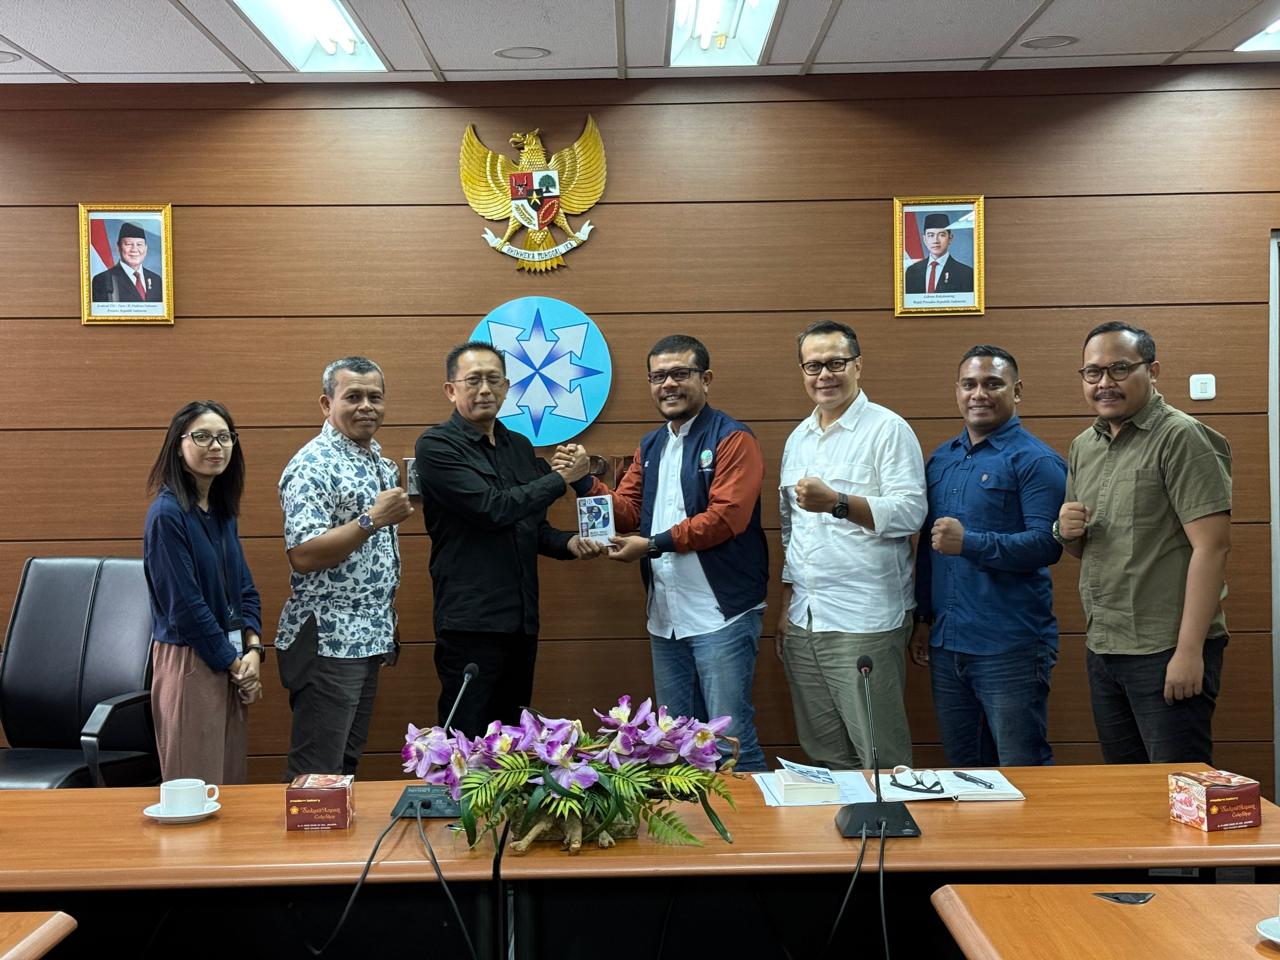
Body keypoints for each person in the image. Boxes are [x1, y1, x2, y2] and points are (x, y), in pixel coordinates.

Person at [581, 334, 769, 772]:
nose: (668, 384)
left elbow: (725, 518)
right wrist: (582, 482)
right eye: (658, 376)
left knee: (730, 744)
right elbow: (628, 511)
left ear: (706, 379)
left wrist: (652, 545)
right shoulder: (651, 446)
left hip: (722, 615)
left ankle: (749, 817)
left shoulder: (733, 438)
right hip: (666, 618)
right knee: (673, 746)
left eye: (680, 373)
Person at [1057, 322, 1232, 764]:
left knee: (1179, 788)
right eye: (1093, 372)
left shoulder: (1181, 437)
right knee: (1128, 788)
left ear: (1152, 371)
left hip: (1167, 648)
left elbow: (1212, 548)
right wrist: (1065, 531)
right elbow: (1084, 548)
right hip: (1105, 646)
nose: (1104, 383)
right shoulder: (1084, 446)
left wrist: (1189, 652)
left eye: (1119, 369)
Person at [414, 341, 602, 736]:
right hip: (470, 623)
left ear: (507, 387)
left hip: (521, 621)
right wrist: (560, 479)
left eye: (493, 380)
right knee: (464, 741)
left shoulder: (518, 446)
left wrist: (569, 544)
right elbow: (492, 509)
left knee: (512, 741)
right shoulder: (436, 446)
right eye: (473, 380)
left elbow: (530, 526)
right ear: (451, 390)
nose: (484, 389)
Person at [775, 320, 926, 770]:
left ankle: (890, 818)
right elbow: (792, 532)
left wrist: (838, 503)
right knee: (824, 755)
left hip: (865, 619)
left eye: (836, 363)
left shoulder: (888, 430)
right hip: (805, 620)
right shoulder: (797, 439)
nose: (824, 375)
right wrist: (787, 606)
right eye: (813, 366)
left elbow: (910, 514)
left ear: (858, 366)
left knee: (880, 756)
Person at [909, 346, 1066, 767]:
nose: (979, 394)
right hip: (947, 643)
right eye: (969, 384)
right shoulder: (941, 459)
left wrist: (971, 543)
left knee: (1023, 768)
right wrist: (923, 618)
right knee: (965, 772)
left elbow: (1047, 545)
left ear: (1017, 391)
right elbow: (929, 548)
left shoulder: (1036, 460)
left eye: (992, 384)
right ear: (957, 391)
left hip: (1010, 646)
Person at [276, 356, 413, 779]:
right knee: (317, 769)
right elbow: (304, 554)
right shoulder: (313, 465)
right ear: (326, 403)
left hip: (369, 635)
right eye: (353, 397)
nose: (366, 406)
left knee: (345, 764)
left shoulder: (378, 462)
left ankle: (336, 826)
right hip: (328, 639)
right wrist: (372, 519)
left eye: (375, 397)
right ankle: (308, 829)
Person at [143, 401, 263, 784]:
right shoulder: (167, 515)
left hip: (230, 660)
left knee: (230, 786)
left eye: (224, 437)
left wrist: (254, 651)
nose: (216, 446)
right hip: (191, 662)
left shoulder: (221, 512)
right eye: (202, 437)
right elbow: (186, 608)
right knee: (194, 789)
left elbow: (245, 589)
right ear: (178, 447)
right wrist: (235, 664)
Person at [91, 221, 163, 303]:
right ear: (118, 247)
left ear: (146, 248)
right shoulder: (102, 280)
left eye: (139, 244)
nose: (134, 250)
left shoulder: (156, 280)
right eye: (128, 244)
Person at [904, 213, 974, 294]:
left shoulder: (966, 273)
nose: (936, 241)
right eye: (931, 235)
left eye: (942, 235)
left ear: (950, 238)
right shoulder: (912, 271)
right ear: (924, 239)